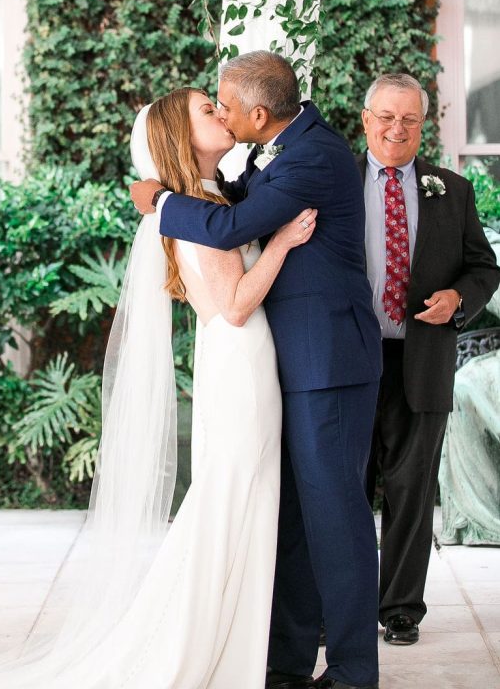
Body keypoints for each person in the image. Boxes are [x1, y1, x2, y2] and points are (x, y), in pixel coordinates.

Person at [0, 86, 315, 689]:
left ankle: (229, 646)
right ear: (178, 134)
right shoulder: (196, 207)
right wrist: (281, 242)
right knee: (233, 503)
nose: (220, 114)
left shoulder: (206, 199)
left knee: (237, 502)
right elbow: (237, 305)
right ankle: (204, 650)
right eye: (206, 109)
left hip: (237, 362)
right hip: (240, 361)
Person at [132, 51, 383, 689]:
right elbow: (239, 208)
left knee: (336, 515)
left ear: (259, 113)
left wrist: (161, 200)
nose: (221, 111)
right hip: (283, 363)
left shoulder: (313, 155)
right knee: (295, 517)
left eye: (225, 104)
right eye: (210, 107)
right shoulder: (281, 153)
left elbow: (236, 225)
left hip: (326, 362)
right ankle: (286, 663)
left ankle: (354, 672)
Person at [359, 73, 500, 646]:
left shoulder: (452, 190)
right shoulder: (333, 183)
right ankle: (332, 608)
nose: (397, 128)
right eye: (387, 117)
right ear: (366, 119)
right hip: (349, 363)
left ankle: (400, 610)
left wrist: (458, 299)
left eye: (409, 119)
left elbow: (484, 268)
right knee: (344, 489)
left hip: (422, 360)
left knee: (412, 489)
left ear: (423, 124)